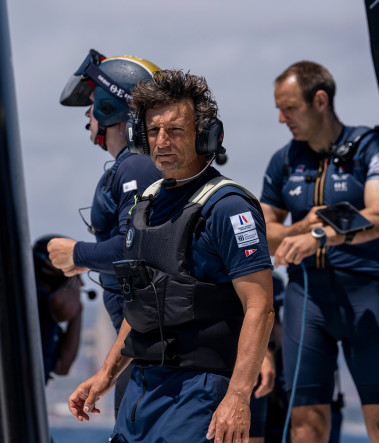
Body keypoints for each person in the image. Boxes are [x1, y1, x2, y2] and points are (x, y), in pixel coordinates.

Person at [67, 69, 275, 443]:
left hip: (200, 397)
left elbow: (260, 307)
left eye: (175, 130)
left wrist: (237, 397)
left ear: (206, 135)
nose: (162, 141)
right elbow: (143, 305)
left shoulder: (228, 207)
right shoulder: (143, 209)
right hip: (141, 395)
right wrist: (106, 375)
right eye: (152, 131)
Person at [260, 60, 379, 442]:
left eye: (289, 108)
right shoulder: (285, 160)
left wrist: (321, 236)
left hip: (365, 294)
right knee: (307, 424)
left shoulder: (370, 147)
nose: (280, 118)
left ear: (320, 100)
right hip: (307, 300)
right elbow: (261, 232)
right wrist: (301, 227)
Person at [49, 50, 162, 415]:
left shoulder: (137, 166)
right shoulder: (133, 166)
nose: (88, 114)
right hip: (139, 351)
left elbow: (138, 249)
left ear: (112, 111)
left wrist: (76, 255)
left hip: (154, 355)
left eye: (94, 104)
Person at [33, 235, 83, 384]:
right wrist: (68, 279)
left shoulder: (50, 313)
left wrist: (79, 310)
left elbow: (63, 366)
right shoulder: (34, 296)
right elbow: (65, 308)